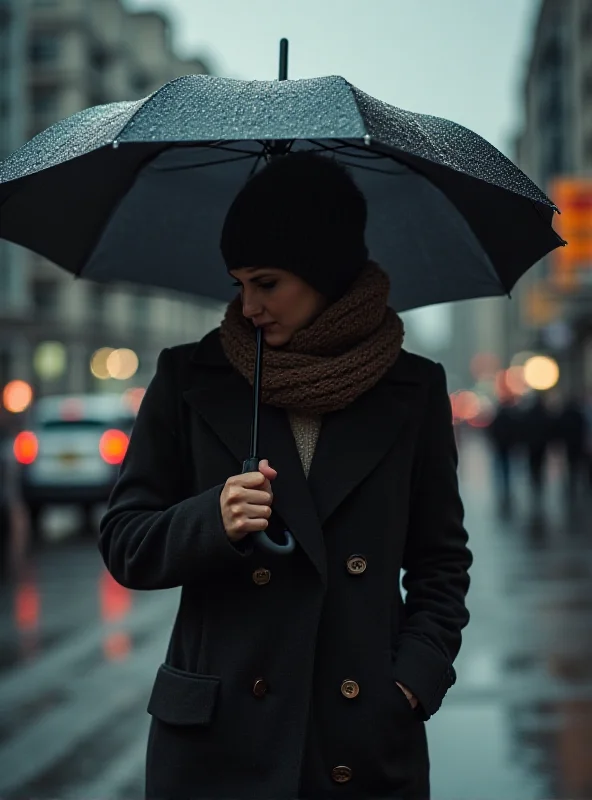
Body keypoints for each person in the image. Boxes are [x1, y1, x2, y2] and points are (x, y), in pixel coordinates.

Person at [99, 152, 473, 800]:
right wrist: (208, 521)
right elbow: (125, 541)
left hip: (359, 737)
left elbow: (441, 559)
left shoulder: (413, 389)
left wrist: (414, 679)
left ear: (324, 271)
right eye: (239, 282)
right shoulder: (191, 378)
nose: (247, 307)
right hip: (220, 747)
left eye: (266, 282)